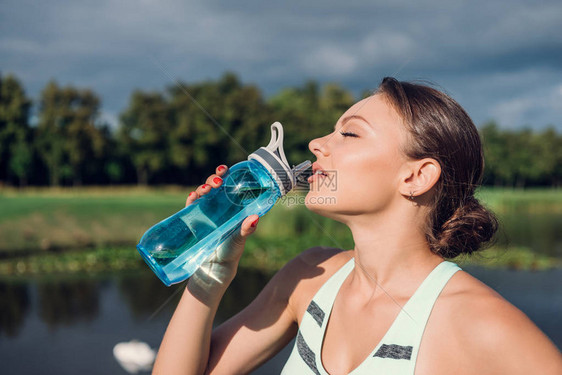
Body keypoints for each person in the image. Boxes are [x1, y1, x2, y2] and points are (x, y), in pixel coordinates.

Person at [152, 77, 562, 375]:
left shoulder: (479, 323)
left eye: (349, 133)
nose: (317, 144)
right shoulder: (307, 278)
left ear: (416, 176)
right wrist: (210, 275)